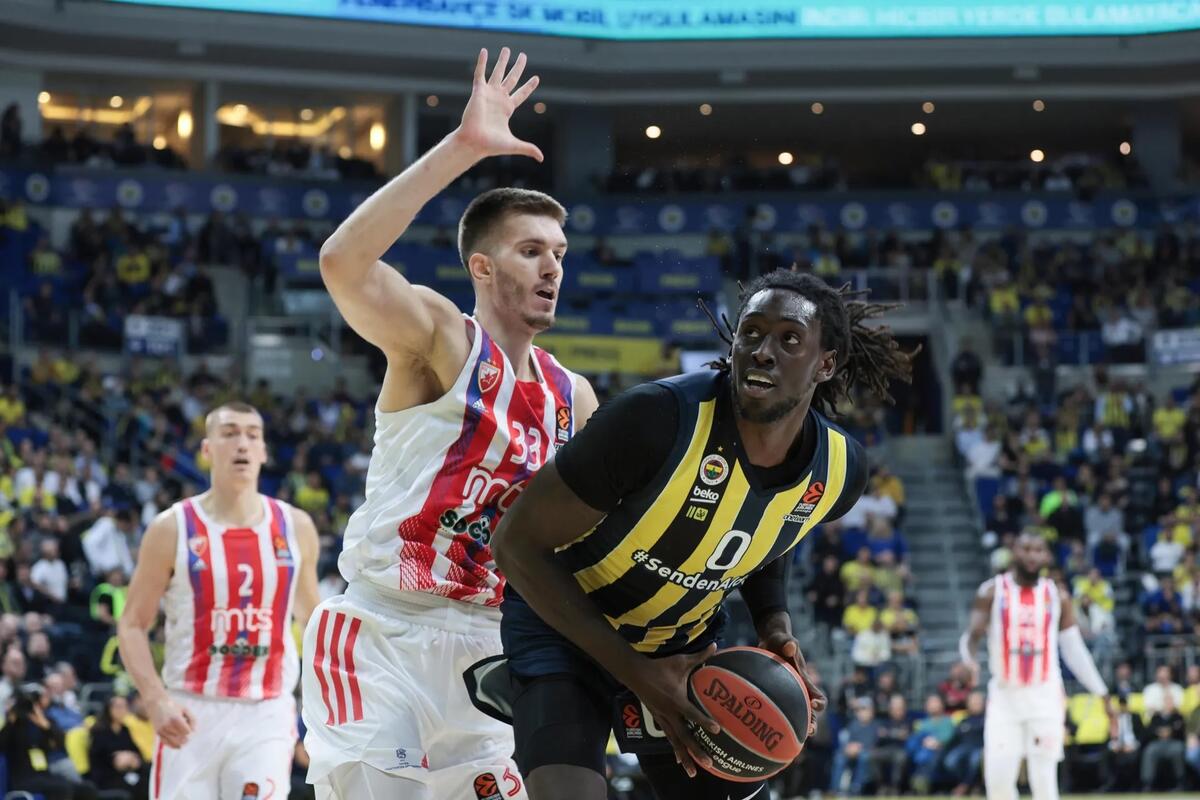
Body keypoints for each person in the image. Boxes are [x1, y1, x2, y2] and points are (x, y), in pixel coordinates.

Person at [489, 270, 914, 799]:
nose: (763, 351)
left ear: (825, 364)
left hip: (679, 646)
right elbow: (515, 544)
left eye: (789, 340)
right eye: (751, 333)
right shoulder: (655, 419)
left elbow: (773, 530)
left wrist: (773, 622)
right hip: (568, 630)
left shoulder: (839, 472)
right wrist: (638, 674)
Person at [299, 47, 597, 799]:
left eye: (559, 253)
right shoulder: (442, 340)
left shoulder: (575, 398)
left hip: (492, 651)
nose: (553, 268)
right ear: (483, 268)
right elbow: (342, 263)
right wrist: (463, 147)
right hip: (384, 633)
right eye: (531, 251)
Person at [117, 402, 320, 799]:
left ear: (263, 452)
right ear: (207, 449)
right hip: (190, 709)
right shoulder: (172, 528)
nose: (242, 443)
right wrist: (155, 700)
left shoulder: (296, 527)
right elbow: (132, 624)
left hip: (266, 711)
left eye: (252, 435)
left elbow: (314, 622)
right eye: (229, 433)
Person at [960, 531, 1111, 800]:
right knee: (998, 783)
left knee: (1044, 782)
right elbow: (971, 637)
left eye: (1038, 549)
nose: (1032, 555)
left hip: (1045, 696)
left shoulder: (1057, 595)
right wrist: (969, 661)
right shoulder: (992, 591)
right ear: (1014, 552)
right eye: (1026, 549)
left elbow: (1074, 649)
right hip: (1005, 697)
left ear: (1047, 556)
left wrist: (1101, 691)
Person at [88, 693, 149, 800]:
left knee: (147, 783)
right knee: (128, 791)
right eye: (118, 707)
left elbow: (135, 750)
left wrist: (133, 759)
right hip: (107, 775)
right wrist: (114, 759)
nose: (122, 710)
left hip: (128, 772)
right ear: (108, 708)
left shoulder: (125, 730)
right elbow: (96, 756)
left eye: (125, 707)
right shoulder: (99, 731)